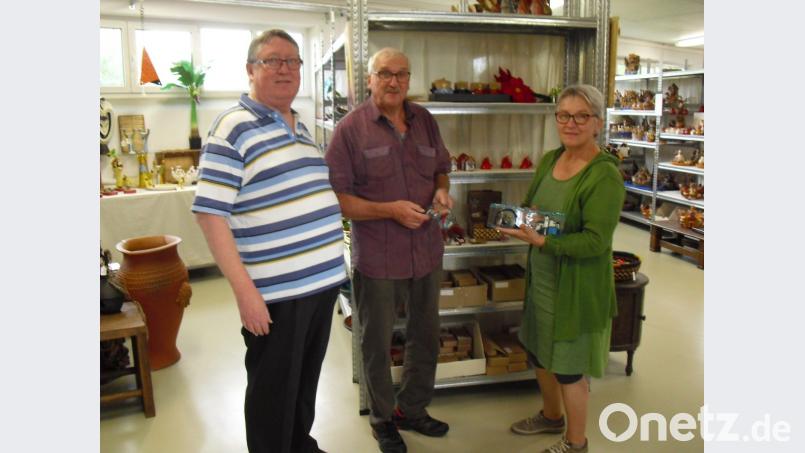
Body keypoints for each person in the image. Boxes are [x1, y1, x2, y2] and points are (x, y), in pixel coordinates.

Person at [191, 29, 347, 453]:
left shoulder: (301, 127)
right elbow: (210, 215)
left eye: (292, 61)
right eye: (272, 60)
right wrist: (246, 294)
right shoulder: (233, 128)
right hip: (277, 295)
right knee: (272, 394)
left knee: (303, 385)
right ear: (250, 70)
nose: (285, 69)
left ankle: (300, 444)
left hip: (318, 289)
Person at [325, 47, 453, 453]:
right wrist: (389, 211)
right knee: (377, 342)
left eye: (401, 74)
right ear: (369, 79)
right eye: (384, 74)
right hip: (380, 256)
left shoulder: (425, 121)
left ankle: (413, 409)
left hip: (427, 251)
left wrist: (443, 192)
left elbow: (441, 170)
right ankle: (383, 419)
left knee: (425, 335)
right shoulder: (350, 130)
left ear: (409, 79)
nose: (394, 81)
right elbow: (339, 199)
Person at [497, 84, 625, 453]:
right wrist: (519, 219)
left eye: (582, 116)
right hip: (544, 279)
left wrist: (544, 242)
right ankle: (551, 417)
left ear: (598, 123)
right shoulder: (552, 159)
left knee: (569, 367)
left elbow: (595, 242)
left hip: (577, 287)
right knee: (539, 351)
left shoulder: (604, 176)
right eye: (564, 115)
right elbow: (534, 207)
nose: (571, 123)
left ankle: (576, 442)